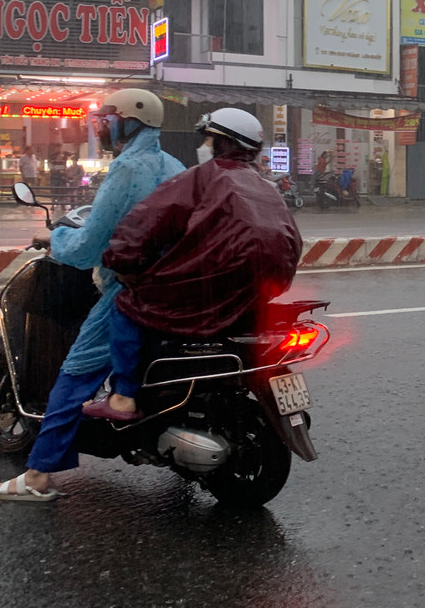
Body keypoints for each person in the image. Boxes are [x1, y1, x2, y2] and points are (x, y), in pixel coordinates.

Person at [0, 89, 185, 502]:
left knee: (74, 372)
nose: (101, 128)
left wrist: (56, 237)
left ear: (130, 122)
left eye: (107, 120)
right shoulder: (173, 165)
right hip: (174, 286)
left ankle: (39, 476)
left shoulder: (128, 168)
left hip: (129, 288)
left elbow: (91, 245)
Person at [82, 108, 302, 422]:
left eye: (208, 137)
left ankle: (123, 397)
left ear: (221, 142)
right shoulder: (266, 186)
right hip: (259, 291)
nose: (205, 144)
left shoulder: (201, 177)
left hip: (212, 288)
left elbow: (144, 223)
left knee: (127, 307)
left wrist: (121, 261)